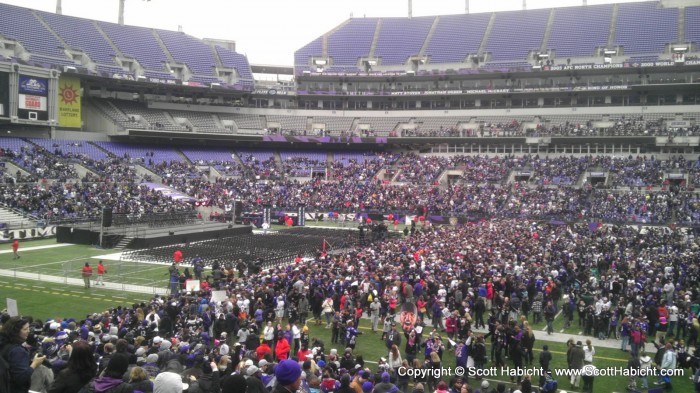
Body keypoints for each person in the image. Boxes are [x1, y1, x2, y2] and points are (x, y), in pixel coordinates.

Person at [0, 316, 46, 393]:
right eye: (25, 329)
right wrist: (34, 363)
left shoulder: (4, 343)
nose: (28, 331)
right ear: (15, 331)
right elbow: (21, 378)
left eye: (28, 328)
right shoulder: (18, 351)